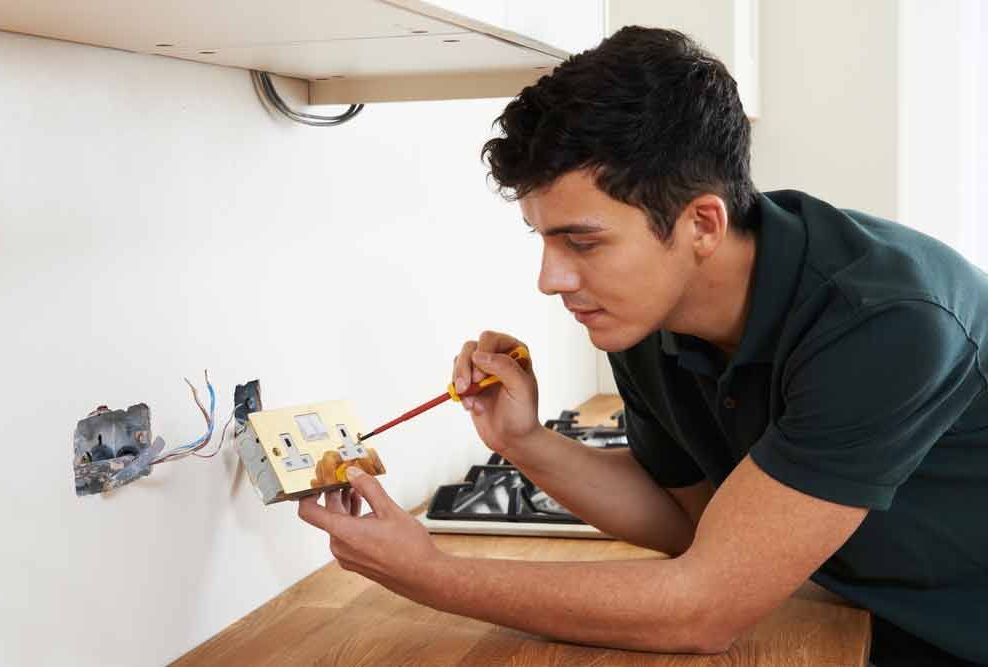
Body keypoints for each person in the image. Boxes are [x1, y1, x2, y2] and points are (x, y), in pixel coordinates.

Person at [297, 27, 988, 666]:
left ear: (702, 224)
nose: (550, 279)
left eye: (582, 241)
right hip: (869, 610)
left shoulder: (884, 321)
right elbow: (691, 519)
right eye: (544, 239)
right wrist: (523, 441)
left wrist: (432, 574)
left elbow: (703, 609)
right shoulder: (651, 314)